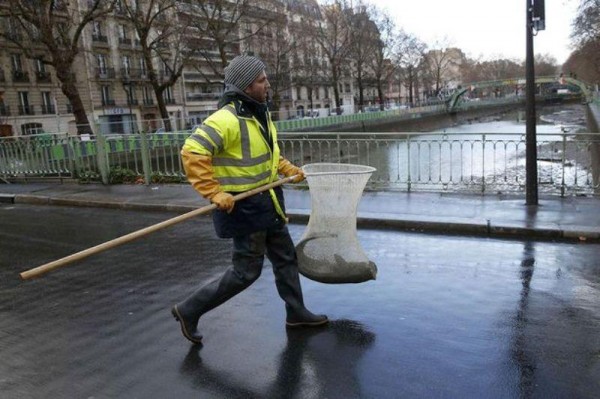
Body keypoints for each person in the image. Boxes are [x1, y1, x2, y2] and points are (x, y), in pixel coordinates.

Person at [172, 55, 328, 344]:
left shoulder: (260, 114)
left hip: (268, 201)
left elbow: (268, 154)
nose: (267, 83)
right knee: (246, 273)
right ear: (245, 86)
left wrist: (288, 169)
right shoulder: (226, 118)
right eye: (260, 80)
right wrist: (214, 192)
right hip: (243, 208)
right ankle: (189, 309)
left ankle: (296, 313)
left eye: (265, 78)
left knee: (285, 259)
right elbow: (192, 152)